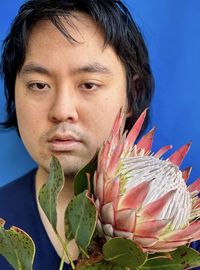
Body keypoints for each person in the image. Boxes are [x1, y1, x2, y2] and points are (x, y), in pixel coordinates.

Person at [1, 0, 194, 269]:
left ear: (132, 94)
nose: (62, 110)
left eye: (89, 84)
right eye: (39, 85)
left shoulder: (185, 243)